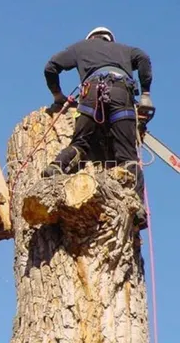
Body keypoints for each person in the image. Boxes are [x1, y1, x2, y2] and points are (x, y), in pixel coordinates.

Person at [41, 27, 154, 229]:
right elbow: (144, 58)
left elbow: (51, 67)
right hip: (122, 94)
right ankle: (137, 207)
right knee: (127, 156)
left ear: (91, 38)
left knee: (80, 144)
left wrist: (58, 95)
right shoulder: (126, 50)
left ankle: (56, 167)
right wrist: (145, 93)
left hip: (90, 93)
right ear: (109, 39)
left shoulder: (81, 47)